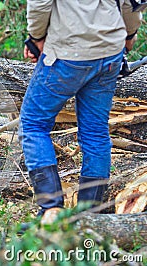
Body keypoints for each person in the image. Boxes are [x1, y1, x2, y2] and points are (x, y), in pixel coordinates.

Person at [19, 0, 142, 218]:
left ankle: (51, 208)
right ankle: (89, 214)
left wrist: (36, 38)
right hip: (109, 50)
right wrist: (129, 33)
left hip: (68, 52)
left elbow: (40, 4)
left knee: (33, 124)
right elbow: (130, 3)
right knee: (95, 132)